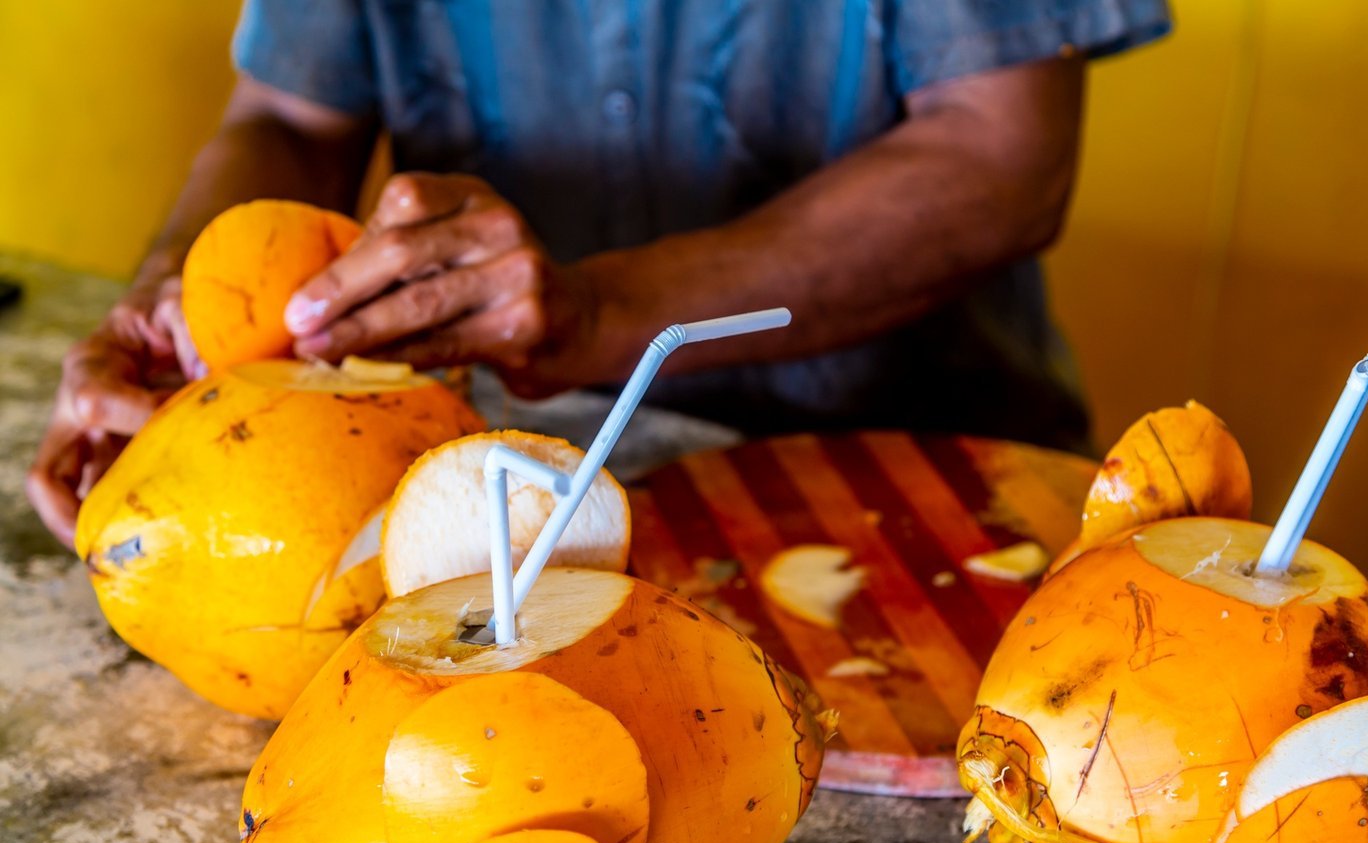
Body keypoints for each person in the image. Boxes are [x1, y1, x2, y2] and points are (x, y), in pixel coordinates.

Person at [28, 0, 1170, 547]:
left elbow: (1001, 158)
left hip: (918, 486)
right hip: (508, 499)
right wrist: (174, 301)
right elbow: (286, 112)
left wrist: (599, 310)